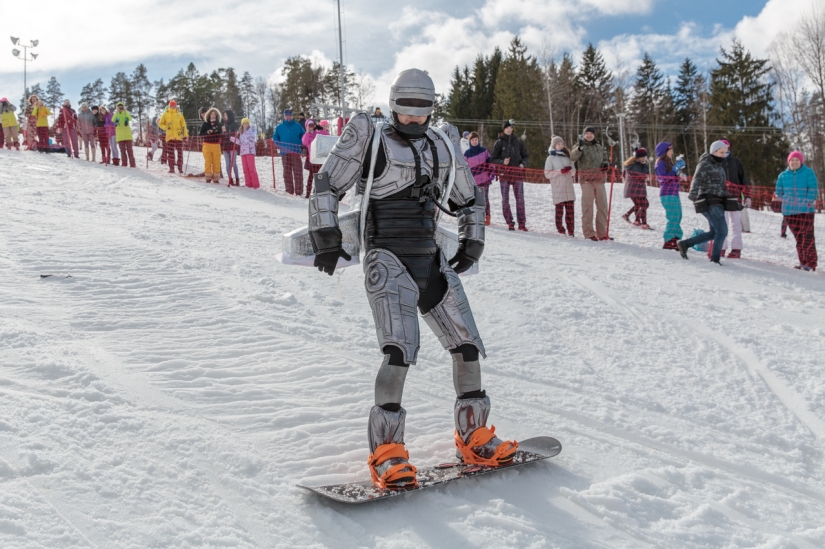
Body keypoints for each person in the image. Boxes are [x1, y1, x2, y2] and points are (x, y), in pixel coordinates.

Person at [308, 68, 516, 490]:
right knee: (400, 352)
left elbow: (467, 195)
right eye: (408, 112)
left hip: (429, 257)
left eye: (423, 112)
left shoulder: (441, 141)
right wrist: (326, 236)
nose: (416, 120)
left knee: (467, 344)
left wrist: (472, 238)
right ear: (394, 106)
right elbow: (328, 184)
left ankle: (473, 435)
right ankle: (387, 452)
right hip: (386, 255)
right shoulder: (370, 135)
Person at [676, 141, 731, 264]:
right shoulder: (705, 164)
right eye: (721, 152)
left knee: (714, 232)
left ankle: (685, 244)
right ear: (714, 151)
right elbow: (697, 179)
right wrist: (693, 195)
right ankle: (715, 260)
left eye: (725, 153)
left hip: (719, 202)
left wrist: (729, 198)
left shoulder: (719, 166)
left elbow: (721, 186)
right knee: (722, 231)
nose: (723, 155)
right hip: (708, 201)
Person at [776, 151, 818, 271]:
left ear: (801, 161)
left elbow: (813, 189)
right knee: (799, 238)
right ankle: (802, 262)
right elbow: (779, 191)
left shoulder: (808, 173)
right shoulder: (783, 175)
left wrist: (807, 201)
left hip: (806, 211)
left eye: (797, 160)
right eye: (792, 160)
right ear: (788, 162)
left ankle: (811, 263)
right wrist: (785, 199)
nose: (794, 162)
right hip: (789, 212)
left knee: (807, 237)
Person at [570, 126, 609, 240]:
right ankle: (589, 233)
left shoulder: (599, 147)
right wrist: (579, 149)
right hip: (586, 180)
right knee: (588, 206)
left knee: (602, 206)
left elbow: (605, 158)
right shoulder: (580, 145)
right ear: (584, 135)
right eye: (587, 133)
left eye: (591, 133)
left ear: (594, 135)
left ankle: (601, 233)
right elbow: (572, 157)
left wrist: (606, 164)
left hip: (599, 178)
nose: (589, 135)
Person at [489, 120, 529, 231]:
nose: (509, 129)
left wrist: (522, 164)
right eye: (507, 127)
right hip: (504, 174)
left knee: (520, 199)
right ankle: (510, 222)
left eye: (511, 128)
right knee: (505, 199)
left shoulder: (519, 142)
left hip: (517, 173)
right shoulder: (499, 143)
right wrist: (502, 162)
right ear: (503, 129)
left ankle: (522, 223)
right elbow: (493, 159)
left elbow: (526, 156)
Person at [719, 139, 749, 258]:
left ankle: (736, 248)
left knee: (736, 223)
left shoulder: (736, 162)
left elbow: (743, 180)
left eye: (726, 147)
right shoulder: (715, 162)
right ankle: (721, 247)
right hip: (720, 198)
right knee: (721, 223)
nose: (724, 150)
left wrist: (747, 196)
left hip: (735, 198)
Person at [654, 142, 686, 249]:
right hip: (667, 194)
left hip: (674, 192)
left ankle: (676, 238)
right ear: (664, 152)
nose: (672, 152)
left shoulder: (668, 163)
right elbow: (664, 178)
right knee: (673, 217)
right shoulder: (660, 163)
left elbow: (672, 176)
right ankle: (668, 240)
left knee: (678, 216)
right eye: (670, 150)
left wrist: (679, 175)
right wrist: (675, 168)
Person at [544, 136, 576, 236]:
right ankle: (560, 229)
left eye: (562, 144)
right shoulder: (550, 158)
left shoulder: (567, 157)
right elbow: (547, 174)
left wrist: (570, 170)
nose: (561, 146)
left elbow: (574, 172)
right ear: (554, 145)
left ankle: (571, 230)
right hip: (558, 188)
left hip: (569, 188)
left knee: (570, 211)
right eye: (558, 144)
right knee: (559, 211)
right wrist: (560, 171)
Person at [273, 109, 305, 195]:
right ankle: (289, 190)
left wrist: (300, 143)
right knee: (287, 172)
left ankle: (299, 192)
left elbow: (304, 136)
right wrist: (278, 145)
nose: (288, 117)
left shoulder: (298, 126)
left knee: (298, 172)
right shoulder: (280, 127)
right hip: (285, 153)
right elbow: (275, 137)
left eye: (290, 115)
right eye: (287, 115)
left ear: (292, 116)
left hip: (295, 152)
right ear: (284, 116)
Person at [464, 132, 493, 226]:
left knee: (485, 199)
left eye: (476, 139)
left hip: (485, 179)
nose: (475, 141)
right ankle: (475, 217)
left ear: (478, 140)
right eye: (472, 140)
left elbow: (490, 163)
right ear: (470, 141)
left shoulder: (484, 151)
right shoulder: (467, 154)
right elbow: (465, 167)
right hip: (473, 181)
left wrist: (492, 172)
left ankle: (487, 217)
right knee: (474, 199)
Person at [622, 148, 651, 229]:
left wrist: (644, 165)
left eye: (645, 157)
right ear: (637, 157)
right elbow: (641, 175)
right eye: (642, 157)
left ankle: (635, 219)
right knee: (644, 204)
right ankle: (643, 223)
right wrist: (644, 166)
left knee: (639, 204)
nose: (644, 158)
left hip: (638, 187)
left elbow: (644, 174)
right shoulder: (633, 165)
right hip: (635, 187)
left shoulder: (641, 164)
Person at [301, 118, 329, 197]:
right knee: (311, 176)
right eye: (309, 125)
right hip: (312, 158)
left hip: (319, 158)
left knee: (320, 175)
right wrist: (307, 132)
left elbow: (326, 136)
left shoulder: (317, 133)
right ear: (306, 126)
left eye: (312, 125)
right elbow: (304, 142)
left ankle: (319, 193)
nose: (311, 127)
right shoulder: (307, 135)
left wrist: (322, 128)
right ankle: (308, 193)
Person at [158, 100, 187, 174]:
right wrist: (166, 127)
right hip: (170, 136)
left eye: (175, 105)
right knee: (171, 153)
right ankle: (171, 168)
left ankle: (180, 168)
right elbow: (161, 124)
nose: (174, 106)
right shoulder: (165, 114)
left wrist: (185, 135)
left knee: (180, 153)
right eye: (172, 105)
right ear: (170, 106)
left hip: (179, 136)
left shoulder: (180, 114)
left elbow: (183, 125)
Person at [199, 108, 223, 183]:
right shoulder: (205, 124)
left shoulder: (219, 124)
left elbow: (221, 135)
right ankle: (208, 177)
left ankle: (216, 178)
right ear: (209, 115)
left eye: (214, 114)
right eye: (212, 114)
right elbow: (200, 134)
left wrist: (217, 132)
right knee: (208, 161)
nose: (213, 115)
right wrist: (207, 132)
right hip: (207, 144)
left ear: (217, 115)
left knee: (216, 161)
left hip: (216, 145)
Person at [112, 102, 136, 168]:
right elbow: (113, 120)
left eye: (121, 106)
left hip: (127, 136)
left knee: (130, 151)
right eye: (119, 107)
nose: (120, 108)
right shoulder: (116, 115)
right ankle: (124, 164)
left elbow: (130, 118)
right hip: (120, 136)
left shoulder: (125, 113)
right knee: (122, 151)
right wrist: (116, 112)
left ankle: (132, 164)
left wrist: (126, 111)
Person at [238, 118, 260, 189]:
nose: (245, 124)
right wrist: (232, 138)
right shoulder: (241, 132)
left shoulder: (251, 130)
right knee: (245, 169)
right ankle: (248, 184)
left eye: (246, 123)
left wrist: (245, 138)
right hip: (243, 152)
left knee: (251, 169)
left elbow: (252, 138)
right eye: (244, 123)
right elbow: (240, 142)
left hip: (250, 152)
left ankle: (255, 185)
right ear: (242, 124)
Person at [222, 109, 240, 186]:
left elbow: (237, 134)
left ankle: (237, 178)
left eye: (226, 115)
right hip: (225, 146)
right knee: (227, 163)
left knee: (233, 163)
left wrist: (228, 133)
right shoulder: (223, 124)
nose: (224, 117)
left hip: (233, 146)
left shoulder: (235, 124)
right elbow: (222, 135)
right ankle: (230, 178)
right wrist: (223, 132)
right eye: (224, 115)